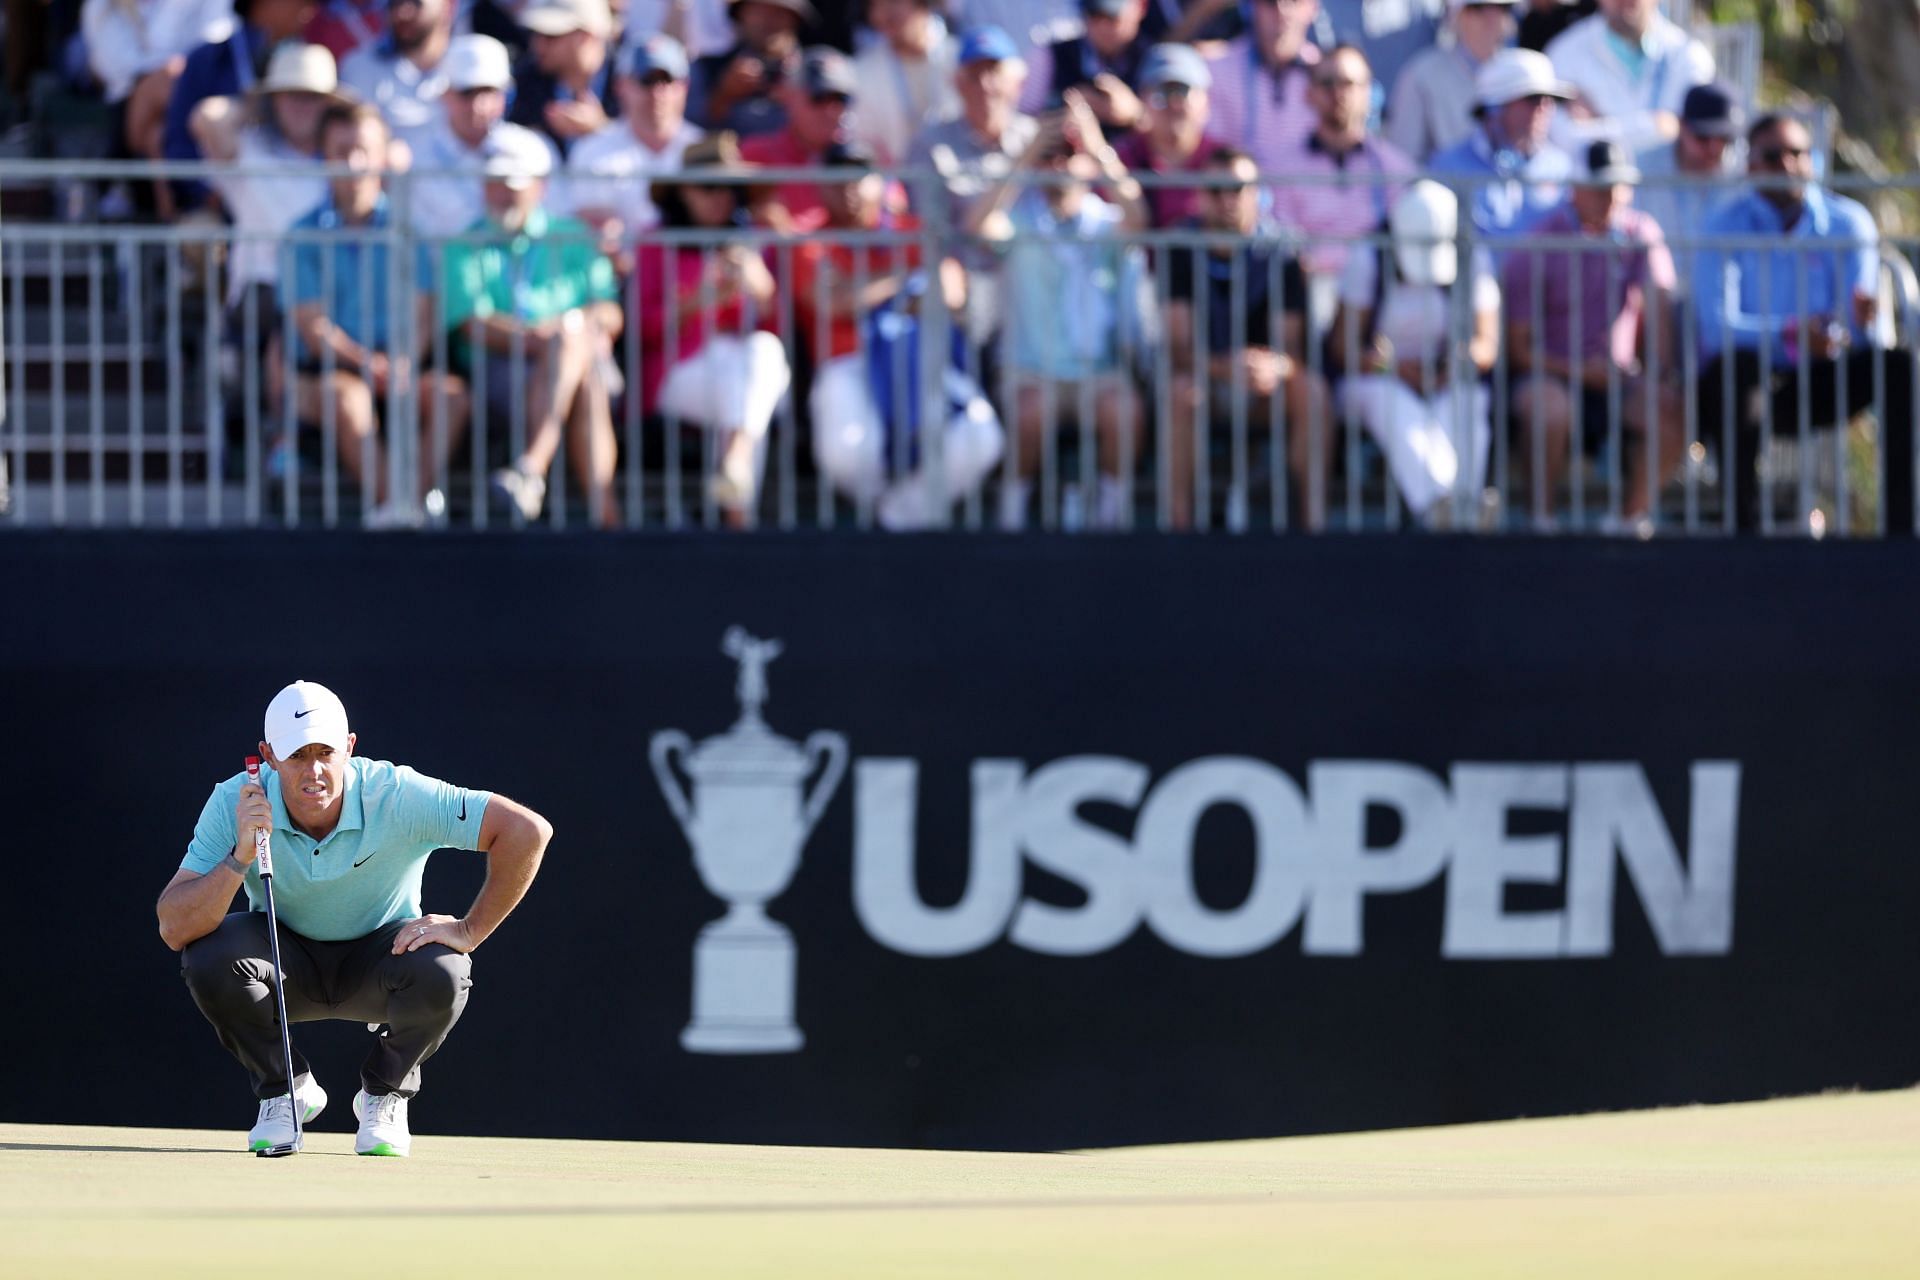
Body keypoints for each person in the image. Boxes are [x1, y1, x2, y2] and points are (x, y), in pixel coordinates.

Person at [159, 680, 552, 1157]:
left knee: (447, 968)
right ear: (268, 756)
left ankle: (384, 1094)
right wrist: (239, 855)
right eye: (297, 755)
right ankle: (285, 1091)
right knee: (207, 955)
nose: (314, 771)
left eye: (325, 752)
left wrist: (468, 930)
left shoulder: (397, 794)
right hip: (284, 961)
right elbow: (174, 926)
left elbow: (526, 831)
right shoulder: (235, 801)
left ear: (349, 748)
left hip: (383, 961)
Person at [1693, 113, 1914, 534]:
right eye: (1774, 156)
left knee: (1897, 367)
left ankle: (1900, 530)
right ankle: (1743, 529)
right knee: (1734, 372)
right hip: (1756, 383)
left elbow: (1859, 329)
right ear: (1751, 164)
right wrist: (1789, 336)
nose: (1788, 165)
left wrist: (1862, 323)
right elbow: (1716, 328)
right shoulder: (1723, 226)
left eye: (1798, 153)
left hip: (1826, 376)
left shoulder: (1849, 223)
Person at [281, 101, 473, 526]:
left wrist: (402, 361)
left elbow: (425, 311)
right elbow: (313, 329)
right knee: (346, 398)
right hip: (329, 372)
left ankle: (406, 505)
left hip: (399, 366)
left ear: (383, 155)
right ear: (325, 156)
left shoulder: (408, 229)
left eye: (363, 149)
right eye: (342, 149)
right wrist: (368, 364)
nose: (354, 162)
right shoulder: (301, 235)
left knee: (451, 396)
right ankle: (399, 508)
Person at [795, 140, 1005, 528]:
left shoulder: (912, 231)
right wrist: (906, 283)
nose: (849, 188)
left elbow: (951, 289)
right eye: (837, 178)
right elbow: (832, 301)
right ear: (821, 186)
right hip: (848, 362)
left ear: (880, 182)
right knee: (850, 453)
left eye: (860, 177)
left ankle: (895, 520)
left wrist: (871, 289)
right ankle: (896, 522)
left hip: (916, 358)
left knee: (980, 436)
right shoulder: (810, 237)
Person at [966, 90, 1149, 531]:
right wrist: (1025, 153)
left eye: (1069, 154)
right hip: (1032, 371)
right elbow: (976, 225)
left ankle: (1112, 517)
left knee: (1124, 410)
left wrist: (1096, 144)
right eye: (1051, 155)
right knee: (1031, 411)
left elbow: (1139, 218)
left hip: (1096, 372)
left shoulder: (1104, 222)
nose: (1060, 164)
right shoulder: (1021, 219)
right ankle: (1011, 515)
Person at [441, 127, 624, 527]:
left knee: (575, 352)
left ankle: (529, 470)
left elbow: (610, 311)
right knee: (583, 371)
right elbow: (472, 325)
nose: (503, 194)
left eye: (513, 186)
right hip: (503, 371)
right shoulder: (464, 243)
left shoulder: (574, 237)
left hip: (569, 361)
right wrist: (541, 339)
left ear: (540, 188)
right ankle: (608, 518)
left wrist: (568, 332)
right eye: (494, 184)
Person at [1502, 140, 1684, 529]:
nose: (1613, 197)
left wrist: (1656, 373)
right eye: (1602, 187)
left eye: (1621, 186)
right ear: (1576, 188)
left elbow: (1659, 312)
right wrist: (1582, 372)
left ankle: (1628, 521)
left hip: (1616, 381)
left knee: (1669, 408)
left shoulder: (1640, 233)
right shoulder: (1535, 246)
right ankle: (1541, 520)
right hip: (1550, 376)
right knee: (1548, 408)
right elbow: (1519, 351)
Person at [1164, 145, 1328, 530]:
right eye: (1216, 190)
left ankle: (1314, 529)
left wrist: (1273, 367)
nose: (1226, 200)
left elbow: (1291, 348)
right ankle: (1179, 529)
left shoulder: (1283, 251)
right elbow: (1178, 348)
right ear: (1201, 196)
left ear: (1257, 194)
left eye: (1237, 189)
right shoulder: (1180, 248)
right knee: (1181, 392)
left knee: (1313, 392)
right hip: (1208, 382)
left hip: (1264, 386)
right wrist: (1225, 367)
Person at [636, 133, 793, 525]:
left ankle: (733, 476)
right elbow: (644, 331)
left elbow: (780, 334)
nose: (720, 198)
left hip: (744, 375)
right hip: (677, 374)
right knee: (748, 392)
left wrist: (763, 292)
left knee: (761, 356)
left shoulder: (754, 244)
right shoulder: (655, 243)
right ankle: (738, 517)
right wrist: (701, 297)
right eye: (708, 187)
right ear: (683, 192)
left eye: (730, 189)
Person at [1326, 179, 1502, 527]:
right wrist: (1392, 368)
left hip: (1445, 376)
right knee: (1390, 402)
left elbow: (1486, 343)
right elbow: (1341, 347)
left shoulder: (1474, 259)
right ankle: (1443, 504)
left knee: (1467, 400)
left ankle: (1460, 503)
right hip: (1376, 379)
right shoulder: (1368, 258)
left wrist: (1452, 366)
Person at [903, 25, 1039, 345]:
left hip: (1033, 279)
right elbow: (931, 227)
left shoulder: (1037, 137)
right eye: (974, 75)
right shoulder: (931, 144)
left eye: (994, 72)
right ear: (958, 83)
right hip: (966, 278)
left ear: (1016, 83)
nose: (985, 85)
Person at [190, 41, 345, 317]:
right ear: (273, 99)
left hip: (332, 298)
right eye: (289, 94)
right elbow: (206, 118)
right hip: (263, 298)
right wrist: (254, 108)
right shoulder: (249, 149)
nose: (301, 105)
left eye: (311, 96)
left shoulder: (343, 158)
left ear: (329, 103)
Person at [1269, 42, 1411, 278]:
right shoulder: (1281, 168)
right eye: (1327, 83)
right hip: (1306, 290)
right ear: (1309, 93)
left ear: (1368, 92)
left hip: (1373, 294)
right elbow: (1284, 241)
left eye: (1348, 83)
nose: (1338, 93)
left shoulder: (1396, 168)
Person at [81, 0, 234, 218]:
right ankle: (194, 209)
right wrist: (171, 69)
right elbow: (119, 66)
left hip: (185, 97)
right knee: (169, 92)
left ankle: (173, 218)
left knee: (158, 134)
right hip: (129, 106)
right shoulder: (101, 6)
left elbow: (217, 37)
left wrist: (181, 69)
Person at [560, 34, 705, 259]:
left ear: (684, 86)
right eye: (646, 81)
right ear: (621, 86)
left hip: (692, 282)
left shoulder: (704, 149)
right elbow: (583, 224)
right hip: (615, 282)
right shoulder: (592, 150)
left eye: (667, 81)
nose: (657, 93)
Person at [163, 0, 319, 205]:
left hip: (297, 201)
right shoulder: (207, 60)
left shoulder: (313, 61)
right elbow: (179, 146)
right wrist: (215, 198)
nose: (309, 9)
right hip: (223, 209)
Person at [409, 34, 554, 238]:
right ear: (445, 94)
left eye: (488, 91)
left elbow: (553, 220)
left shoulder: (533, 150)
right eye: (466, 93)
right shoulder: (418, 157)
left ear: (505, 94)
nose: (478, 106)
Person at [1428, 47, 1573, 240]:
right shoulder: (1446, 167)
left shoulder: (1561, 167)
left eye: (1551, 100)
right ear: (1495, 107)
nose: (1543, 108)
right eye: (1533, 98)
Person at [1544, 0, 1711, 152]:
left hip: (1670, 186)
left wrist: (1595, 127)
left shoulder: (1689, 55)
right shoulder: (1563, 53)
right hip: (1600, 185)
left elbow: (1700, 137)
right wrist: (1656, 127)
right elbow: (1563, 138)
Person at [738, 46, 858, 231]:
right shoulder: (756, 156)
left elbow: (896, 219)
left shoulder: (864, 156)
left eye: (840, 100)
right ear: (789, 96)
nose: (831, 111)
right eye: (819, 97)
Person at [1385, 0, 1517, 163]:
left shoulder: (1521, 73)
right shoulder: (1421, 73)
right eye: (1478, 8)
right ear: (1457, 15)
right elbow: (1403, 158)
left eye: (1502, 8)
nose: (1492, 17)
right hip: (1442, 185)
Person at [1202, 0, 1323, 177]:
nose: (1283, 12)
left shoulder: (1329, 77)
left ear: (1313, 8)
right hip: (1236, 198)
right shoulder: (1215, 69)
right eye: (1270, 2)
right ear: (1252, 8)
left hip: (1309, 199)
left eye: (1295, 1)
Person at [1111, 42, 1225, 229]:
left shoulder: (1224, 162)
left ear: (1206, 100)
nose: (1173, 104)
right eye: (1161, 94)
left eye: (1182, 92)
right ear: (1143, 100)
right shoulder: (1121, 158)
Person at [1632, 80, 1743, 256]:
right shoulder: (1640, 169)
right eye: (1703, 137)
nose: (1714, 147)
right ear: (1682, 126)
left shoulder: (1745, 172)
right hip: (1655, 283)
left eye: (1724, 137)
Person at [847, 0, 960, 166]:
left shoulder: (962, 61)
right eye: (874, 6)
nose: (882, 15)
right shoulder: (860, 72)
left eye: (893, 3)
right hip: (888, 185)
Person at [339, 0, 456, 157]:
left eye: (416, 3)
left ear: (446, 7)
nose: (402, 13)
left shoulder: (473, 64)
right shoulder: (359, 67)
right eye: (394, 3)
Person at [1019, 0, 1154, 134]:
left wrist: (1135, 114)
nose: (1103, 26)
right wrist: (1065, 113)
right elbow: (1024, 120)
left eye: (1113, 16)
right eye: (1094, 14)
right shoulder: (1050, 56)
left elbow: (1172, 134)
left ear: (1140, 7)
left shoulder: (1156, 58)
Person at [508, 0, 618, 158]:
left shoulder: (634, 78)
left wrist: (602, 129)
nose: (537, 45)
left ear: (586, 36)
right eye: (535, 34)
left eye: (551, 36)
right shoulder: (525, 81)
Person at [688, 0, 813, 136]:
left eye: (779, 12)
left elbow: (834, 139)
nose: (768, 20)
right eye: (760, 11)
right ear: (741, 14)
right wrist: (723, 97)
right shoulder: (706, 69)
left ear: (795, 18)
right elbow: (685, 134)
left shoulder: (820, 72)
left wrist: (800, 104)